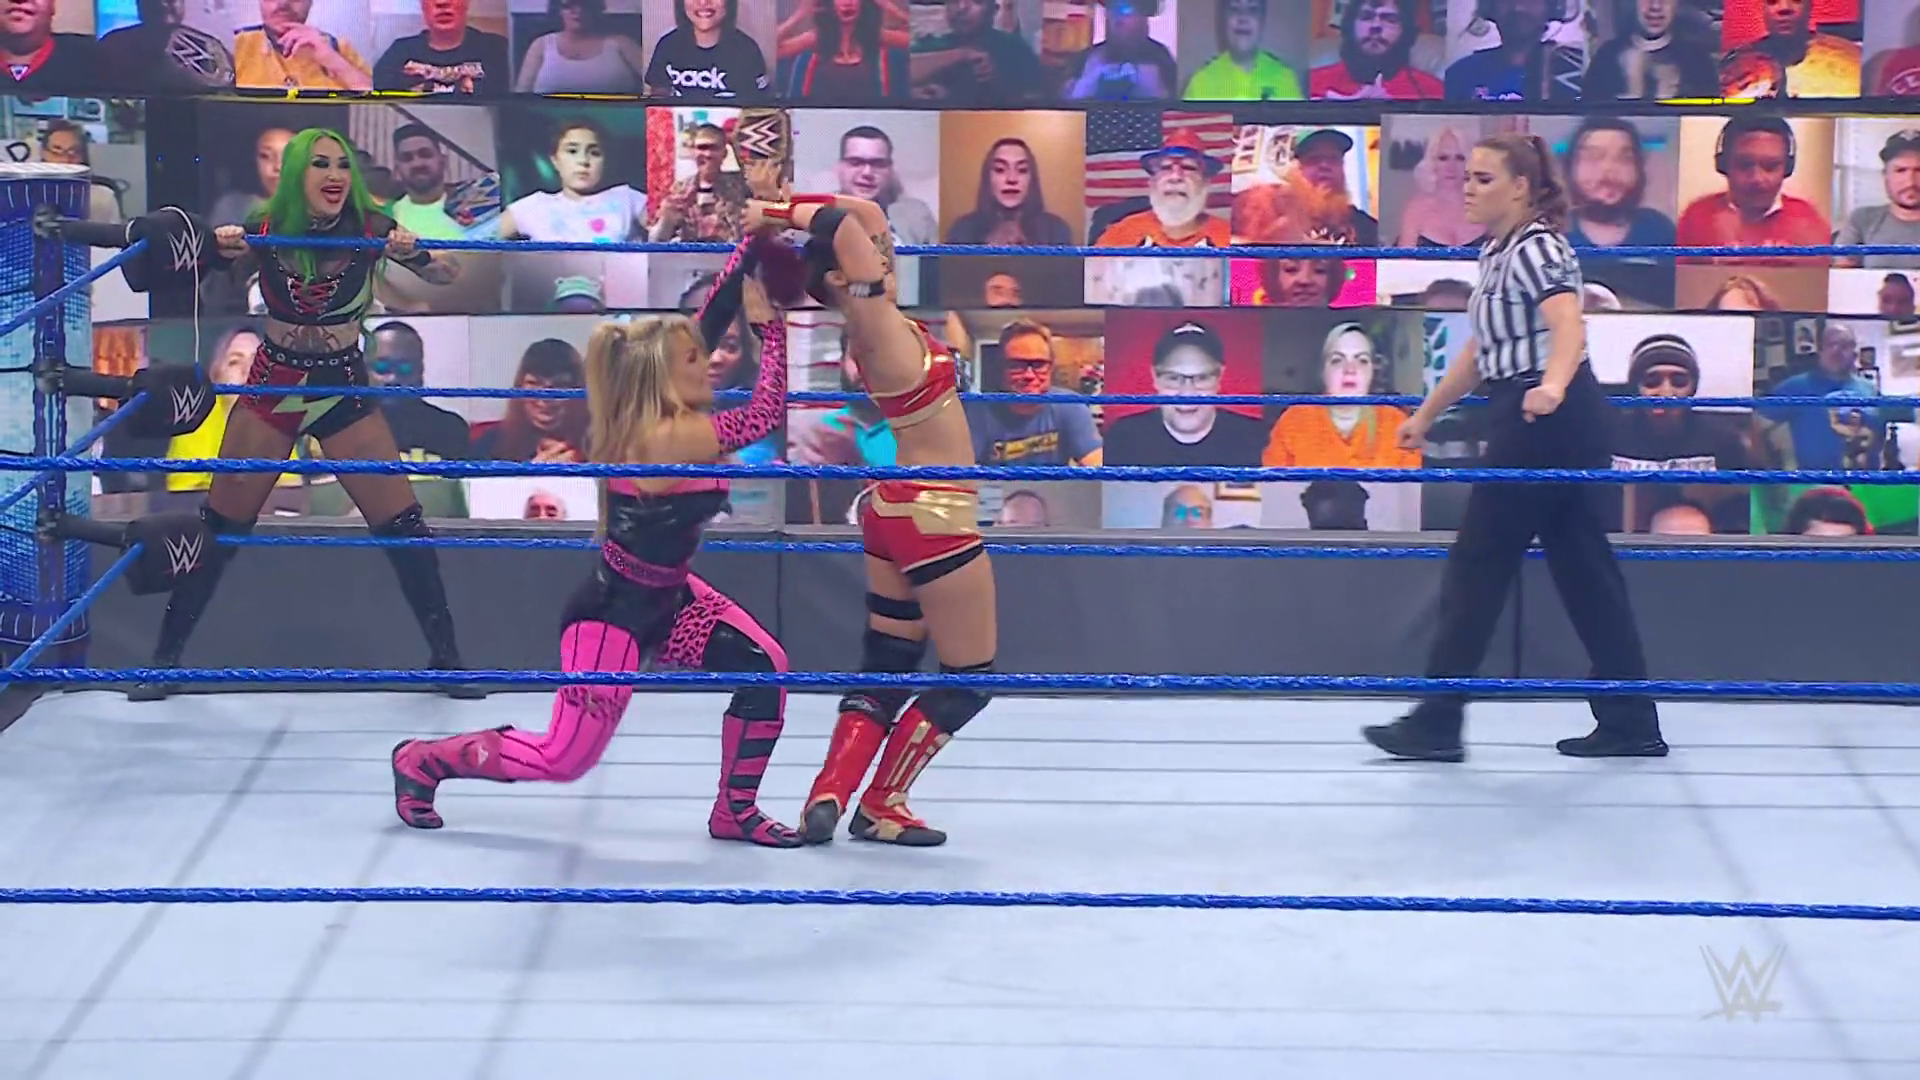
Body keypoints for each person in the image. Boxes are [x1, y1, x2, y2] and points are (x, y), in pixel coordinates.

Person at [391, 230, 804, 847]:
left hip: (671, 597)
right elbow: (767, 413)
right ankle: (424, 759)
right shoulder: (663, 437)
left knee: (764, 667)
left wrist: (751, 246)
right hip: (613, 615)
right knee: (563, 759)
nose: (712, 360)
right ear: (665, 378)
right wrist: (773, 326)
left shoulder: (669, 408)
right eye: (695, 360)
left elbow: (709, 323)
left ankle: (735, 810)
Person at [132, 128, 477, 701]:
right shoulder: (266, 227)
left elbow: (448, 273)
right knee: (220, 526)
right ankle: (164, 660)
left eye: (342, 164)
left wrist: (413, 249)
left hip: (340, 383)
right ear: (299, 174)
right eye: (320, 164)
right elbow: (196, 269)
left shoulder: (372, 226)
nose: (334, 175)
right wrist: (220, 247)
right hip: (277, 381)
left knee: (404, 526)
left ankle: (448, 659)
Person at [1362, 133, 1667, 763]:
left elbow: (1568, 324)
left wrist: (1552, 385)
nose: (1467, 188)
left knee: (1480, 563)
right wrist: (1427, 413)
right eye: (1468, 177)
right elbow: (1482, 351)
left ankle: (1438, 720)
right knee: (1584, 569)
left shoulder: (1539, 248)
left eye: (1483, 178)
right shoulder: (1497, 252)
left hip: (1546, 415)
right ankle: (1631, 718)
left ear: (1521, 188)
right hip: (1535, 409)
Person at [746, 191, 998, 847]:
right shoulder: (875, 319)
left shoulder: (877, 318)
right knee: (972, 679)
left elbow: (864, 215)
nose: (885, 250)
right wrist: (773, 213)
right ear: (841, 274)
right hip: (936, 512)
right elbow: (844, 227)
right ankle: (883, 801)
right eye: (870, 251)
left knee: (889, 658)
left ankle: (828, 792)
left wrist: (775, 202)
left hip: (893, 507)